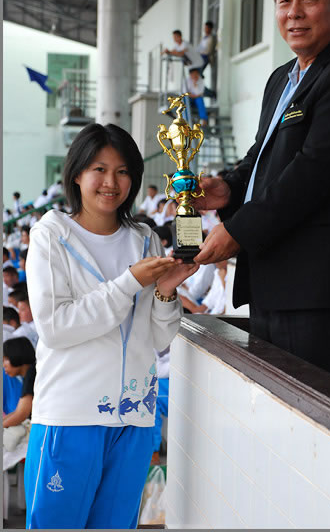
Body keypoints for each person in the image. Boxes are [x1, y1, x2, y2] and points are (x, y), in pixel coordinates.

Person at [193, 0, 330, 390]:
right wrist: (228, 188)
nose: (294, 13)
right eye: (284, 1)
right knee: (278, 418)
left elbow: (313, 172)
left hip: (323, 294)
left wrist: (238, 230)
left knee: (319, 415)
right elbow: (263, 154)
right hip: (274, 285)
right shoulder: (283, 77)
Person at [24, 122, 198, 529]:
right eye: (99, 169)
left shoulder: (144, 239)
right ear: (77, 174)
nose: (111, 182)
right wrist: (129, 282)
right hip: (71, 415)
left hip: (134, 419)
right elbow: (56, 327)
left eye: (122, 172)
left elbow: (159, 337)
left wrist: (166, 292)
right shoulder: (52, 235)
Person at [3, 337, 36, 430]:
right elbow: (18, 411)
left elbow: (21, 414)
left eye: (5, 359)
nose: (4, 365)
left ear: (16, 354)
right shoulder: (30, 373)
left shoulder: (31, 374)